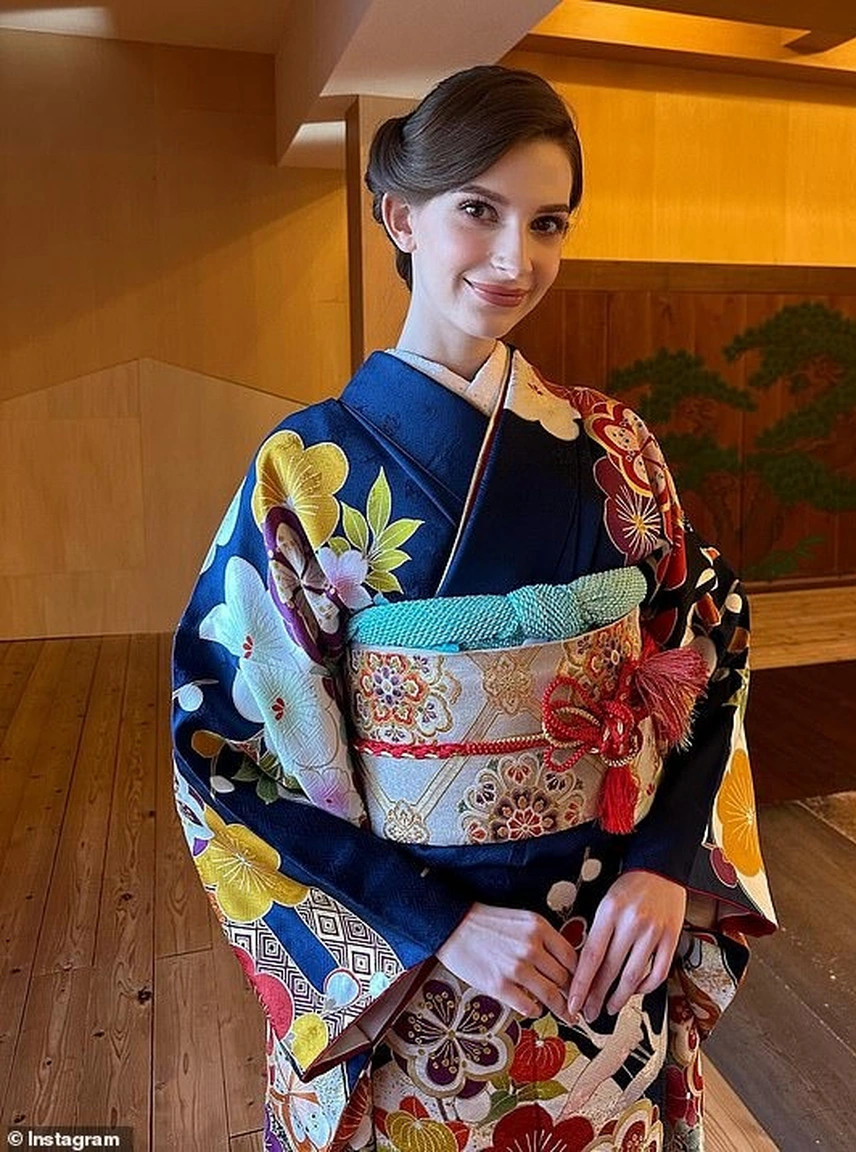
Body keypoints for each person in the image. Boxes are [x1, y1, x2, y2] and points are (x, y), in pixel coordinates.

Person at [170, 64, 776, 1152]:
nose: (515, 259)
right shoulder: (306, 472)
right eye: (479, 211)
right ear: (402, 218)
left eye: (548, 223)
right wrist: (437, 921)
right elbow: (229, 746)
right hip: (425, 982)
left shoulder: (618, 448)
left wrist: (663, 862)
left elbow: (710, 638)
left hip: (605, 958)